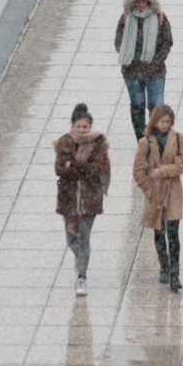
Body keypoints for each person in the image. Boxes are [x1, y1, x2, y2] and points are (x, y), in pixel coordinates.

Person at [133, 104, 183, 292]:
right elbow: (138, 171)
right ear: (155, 121)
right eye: (162, 121)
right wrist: (149, 191)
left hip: (173, 191)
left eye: (168, 122)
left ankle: (175, 273)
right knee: (158, 232)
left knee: (173, 233)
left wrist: (164, 171)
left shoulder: (178, 138)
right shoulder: (146, 142)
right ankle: (163, 265)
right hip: (155, 193)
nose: (165, 125)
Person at [54, 103, 110, 295]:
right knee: (71, 239)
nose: (82, 130)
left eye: (85, 127)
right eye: (78, 126)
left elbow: (96, 170)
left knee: (84, 237)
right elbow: (60, 169)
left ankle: (82, 277)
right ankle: (80, 260)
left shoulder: (98, 143)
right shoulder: (64, 142)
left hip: (90, 197)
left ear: (90, 127)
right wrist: (79, 167)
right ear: (72, 126)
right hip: (69, 197)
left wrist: (74, 166)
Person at [115, 0, 174, 141]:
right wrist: (129, 57)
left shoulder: (160, 17)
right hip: (132, 72)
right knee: (137, 106)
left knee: (157, 106)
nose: (141, 5)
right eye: (137, 1)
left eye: (144, 1)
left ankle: (158, 138)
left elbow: (167, 42)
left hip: (155, 71)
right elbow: (118, 42)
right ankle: (141, 139)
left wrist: (155, 61)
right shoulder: (126, 18)